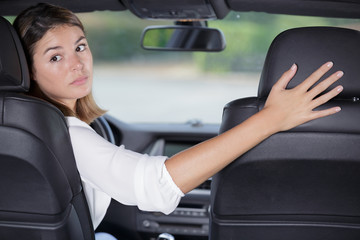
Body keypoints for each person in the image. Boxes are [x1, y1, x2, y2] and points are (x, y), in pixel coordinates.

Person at [13, 3, 344, 239]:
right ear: (28, 71)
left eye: (80, 47)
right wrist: (271, 118)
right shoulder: (64, 134)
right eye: (55, 56)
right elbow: (155, 186)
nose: (77, 64)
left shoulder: (19, 129)